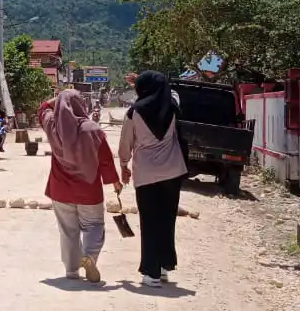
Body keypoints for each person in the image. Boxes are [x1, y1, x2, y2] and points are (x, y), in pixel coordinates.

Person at [39, 89, 122, 283]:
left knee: (68, 230)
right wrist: (114, 180)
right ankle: (89, 257)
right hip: (89, 189)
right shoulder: (93, 129)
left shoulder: (52, 125)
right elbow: (105, 160)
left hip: (60, 189)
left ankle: (71, 270)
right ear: (81, 105)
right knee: (94, 226)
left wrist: (58, 98)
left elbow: (42, 108)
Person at [119, 70, 188, 288]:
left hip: (146, 174)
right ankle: (165, 266)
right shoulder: (173, 107)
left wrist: (124, 165)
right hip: (172, 172)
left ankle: (151, 273)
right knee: (167, 220)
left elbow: (125, 143)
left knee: (149, 222)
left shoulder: (134, 112)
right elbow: (172, 92)